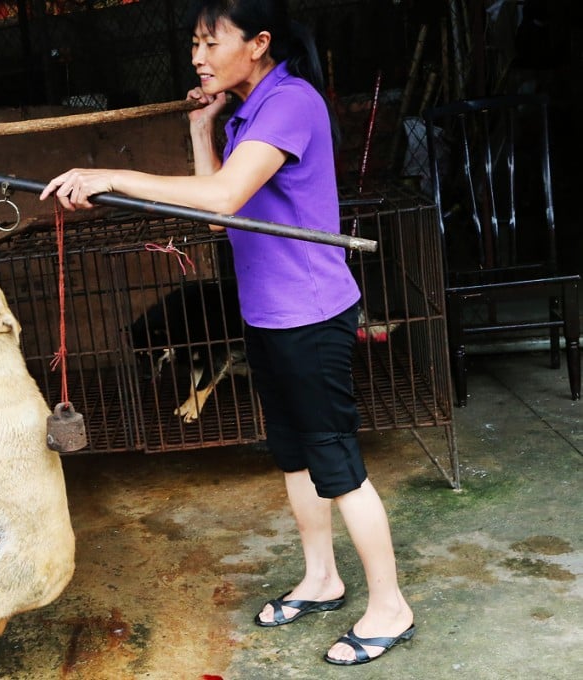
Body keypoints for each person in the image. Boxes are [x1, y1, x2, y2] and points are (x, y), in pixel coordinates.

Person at [40, 0, 414, 667]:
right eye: (193, 44)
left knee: (339, 464)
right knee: (294, 455)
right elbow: (223, 217)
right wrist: (198, 128)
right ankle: (322, 578)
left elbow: (220, 198)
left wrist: (109, 175)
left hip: (311, 315)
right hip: (268, 316)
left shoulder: (291, 101)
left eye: (210, 42)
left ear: (259, 43)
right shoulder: (246, 112)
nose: (197, 57)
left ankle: (390, 606)